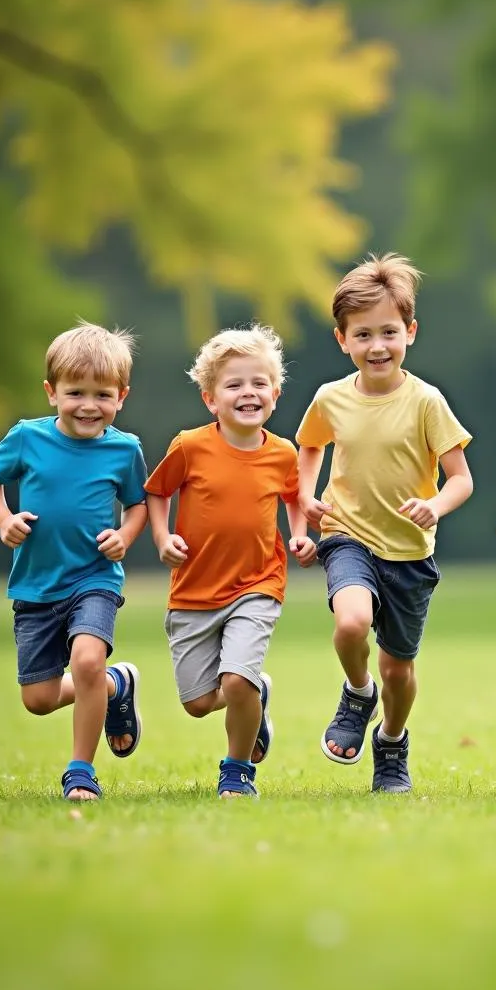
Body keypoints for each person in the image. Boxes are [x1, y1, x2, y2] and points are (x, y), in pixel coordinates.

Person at [296, 253, 473, 793]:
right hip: (347, 536)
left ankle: (391, 742)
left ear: (410, 332)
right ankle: (356, 690)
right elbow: (309, 446)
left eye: (389, 332)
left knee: (399, 671)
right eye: (363, 334)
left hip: (410, 553)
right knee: (350, 623)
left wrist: (435, 506)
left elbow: (462, 479)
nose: (377, 346)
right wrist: (306, 498)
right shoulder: (331, 398)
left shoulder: (426, 401)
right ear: (342, 340)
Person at [0, 322, 148, 801]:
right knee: (40, 699)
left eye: (102, 394)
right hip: (35, 584)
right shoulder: (27, 438)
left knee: (86, 658)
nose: (89, 405)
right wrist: (3, 518)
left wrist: (125, 535)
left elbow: (137, 504)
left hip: (95, 577)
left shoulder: (124, 448)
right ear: (52, 393)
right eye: (75, 392)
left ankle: (80, 772)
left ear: (122, 396)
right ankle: (116, 685)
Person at [145, 325, 316, 798]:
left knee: (236, 680)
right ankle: (253, 701)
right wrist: (162, 538)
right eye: (234, 384)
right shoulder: (189, 446)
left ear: (275, 394)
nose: (248, 393)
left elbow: (295, 499)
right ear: (210, 399)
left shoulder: (283, 453)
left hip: (257, 585)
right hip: (194, 590)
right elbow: (157, 493)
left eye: (259, 383)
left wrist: (299, 536)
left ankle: (237, 770)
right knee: (199, 702)